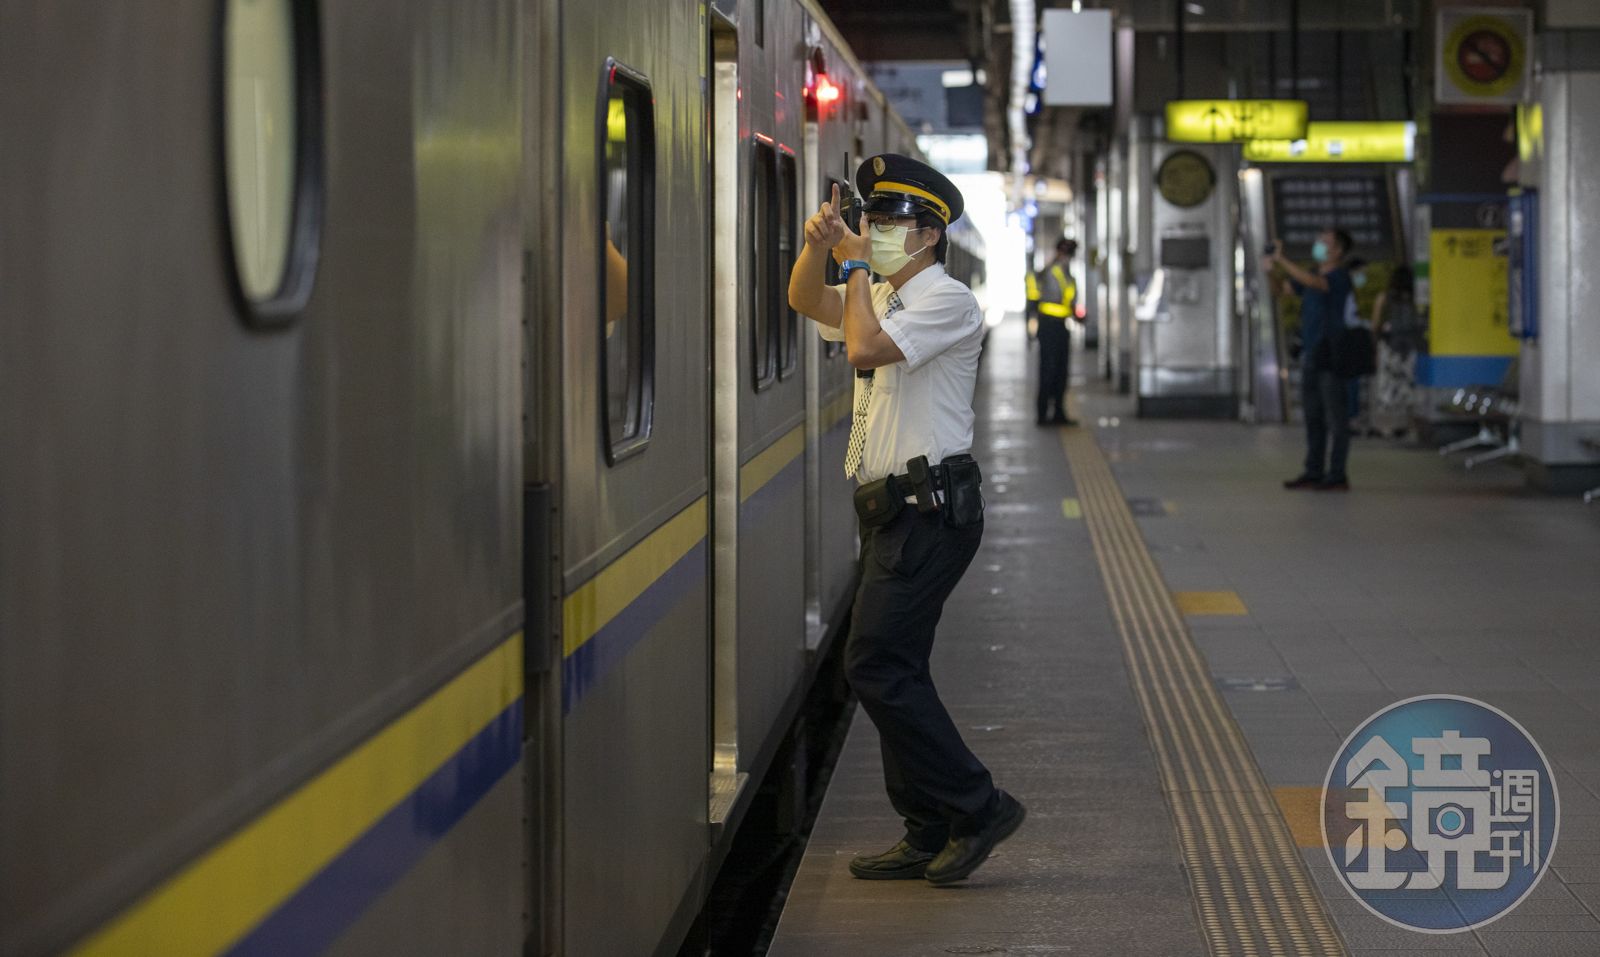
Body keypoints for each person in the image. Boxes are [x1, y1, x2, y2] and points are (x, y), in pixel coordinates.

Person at [787, 154, 1025, 885]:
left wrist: (856, 268)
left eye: (887, 223)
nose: (874, 232)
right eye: (870, 220)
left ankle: (978, 805)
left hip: (931, 513)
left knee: (874, 664)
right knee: (895, 665)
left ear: (928, 234)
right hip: (893, 512)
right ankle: (924, 826)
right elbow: (804, 301)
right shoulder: (886, 296)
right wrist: (819, 247)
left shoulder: (945, 300)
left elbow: (859, 346)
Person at [1265, 228, 1355, 491]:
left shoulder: (1339, 277)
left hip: (1332, 356)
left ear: (1337, 251)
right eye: (1318, 240)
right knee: (1313, 416)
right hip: (1311, 355)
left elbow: (1317, 285)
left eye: (1324, 242)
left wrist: (1283, 261)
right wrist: (1271, 269)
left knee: (1336, 418)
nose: (1317, 245)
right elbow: (1282, 290)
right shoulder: (1311, 274)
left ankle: (1337, 474)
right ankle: (1313, 470)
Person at [1034, 239, 1079, 425]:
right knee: (1049, 371)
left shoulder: (1064, 272)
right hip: (1050, 327)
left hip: (1059, 326)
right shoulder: (1055, 272)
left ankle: (1058, 412)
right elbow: (1053, 302)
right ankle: (1043, 415)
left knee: (1061, 371)